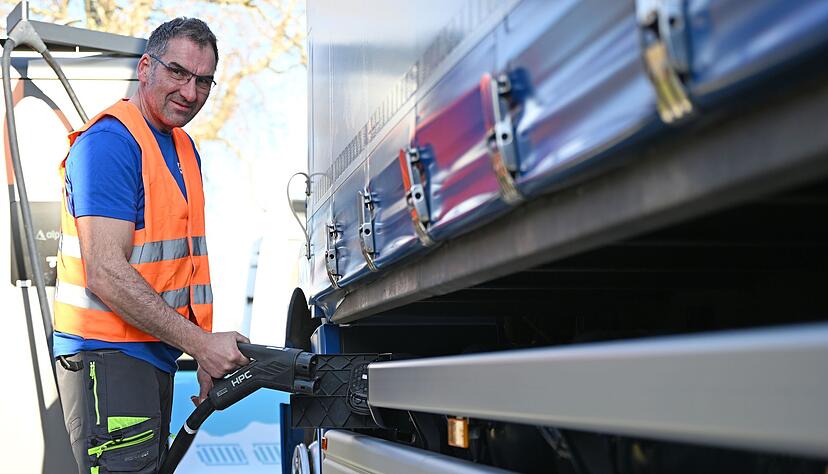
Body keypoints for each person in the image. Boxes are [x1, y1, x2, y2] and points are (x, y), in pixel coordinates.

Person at [52, 18, 249, 473]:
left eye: (203, 81)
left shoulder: (182, 148)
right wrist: (202, 344)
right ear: (145, 68)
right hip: (107, 357)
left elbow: (187, 269)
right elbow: (105, 272)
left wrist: (205, 353)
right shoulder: (110, 144)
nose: (190, 91)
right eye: (178, 72)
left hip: (151, 355)